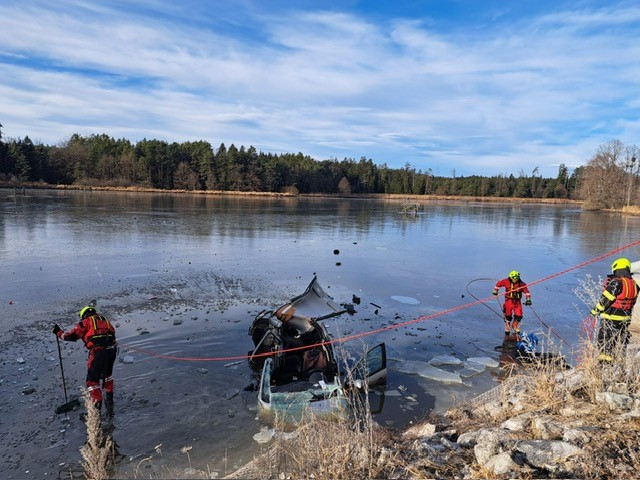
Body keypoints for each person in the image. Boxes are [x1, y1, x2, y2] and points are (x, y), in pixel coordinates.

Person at [53, 306, 117, 413]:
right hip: (111, 352)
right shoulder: (105, 320)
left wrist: (58, 332)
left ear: (84, 315)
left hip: (97, 353)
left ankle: (96, 411)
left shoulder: (86, 322)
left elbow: (71, 336)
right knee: (107, 376)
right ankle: (110, 402)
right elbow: (112, 334)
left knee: (92, 382)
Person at [590, 258, 639, 363]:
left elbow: (606, 299)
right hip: (625, 320)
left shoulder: (616, 282)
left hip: (611, 318)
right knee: (620, 341)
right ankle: (620, 362)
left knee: (604, 342)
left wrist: (595, 311)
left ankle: (605, 364)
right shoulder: (634, 284)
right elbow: (633, 302)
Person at [493, 270, 532, 337]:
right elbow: (498, 285)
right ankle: (507, 327)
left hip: (517, 302)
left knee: (519, 314)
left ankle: (515, 325)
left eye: (516, 278)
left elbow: (527, 292)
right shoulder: (506, 281)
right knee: (508, 314)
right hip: (509, 300)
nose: (515, 280)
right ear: (511, 277)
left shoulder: (522, 284)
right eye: (514, 278)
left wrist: (528, 300)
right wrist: (495, 291)